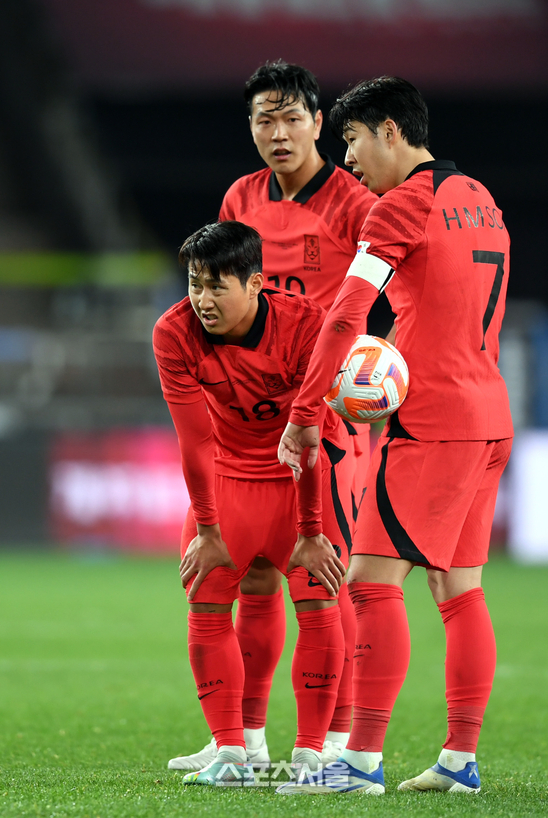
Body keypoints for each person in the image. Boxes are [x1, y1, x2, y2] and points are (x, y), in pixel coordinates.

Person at [276, 76, 513, 796]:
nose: (346, 159)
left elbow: (348, 313)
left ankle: (358, 762)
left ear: (389, 130)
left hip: (435, 422)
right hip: (489, 414)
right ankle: (459, 760)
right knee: (458, 588)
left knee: (371, 582)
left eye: (350, 139)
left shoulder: (402, 204)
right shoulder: (480, 197)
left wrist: (306, 413)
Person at [169, 60, 377, 773]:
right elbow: (225, 282)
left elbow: (385, 287)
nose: (279, 133)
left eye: (292, 119)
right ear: (251, 126)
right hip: (250, 415)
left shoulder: (353, 201)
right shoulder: (241, 195)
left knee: (326, 576)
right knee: (253, 577)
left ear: (319, 123)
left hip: (327, 412)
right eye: (265, 120)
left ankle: (336, 743)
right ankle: (245, 740)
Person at [153, 220, 356, 785]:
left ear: (255, 284)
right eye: (195, 284)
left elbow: (309, 439)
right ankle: (233, 751)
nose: (202, 300)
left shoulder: (305, 326)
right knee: (206, 599)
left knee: (320, 600)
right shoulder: (173, 333)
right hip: (229, 480)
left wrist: (312, 532)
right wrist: (208, 530)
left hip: (303, 480)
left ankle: (313, 754)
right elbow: (194, 441)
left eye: (217, 287)